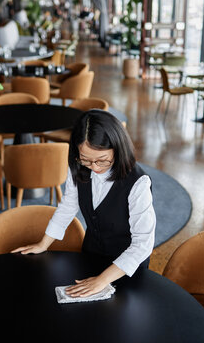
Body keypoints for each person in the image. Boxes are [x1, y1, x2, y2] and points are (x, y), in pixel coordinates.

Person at [12, 110, 156, 298]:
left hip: (128, 266)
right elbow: (67, 206)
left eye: (102, 160)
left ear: (118, 149)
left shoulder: (138, 182)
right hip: (92, 256)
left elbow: (143, 244)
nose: (94, 168)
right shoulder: (78, 167)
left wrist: (103, 280)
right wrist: (43, 243)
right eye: (87, 160)